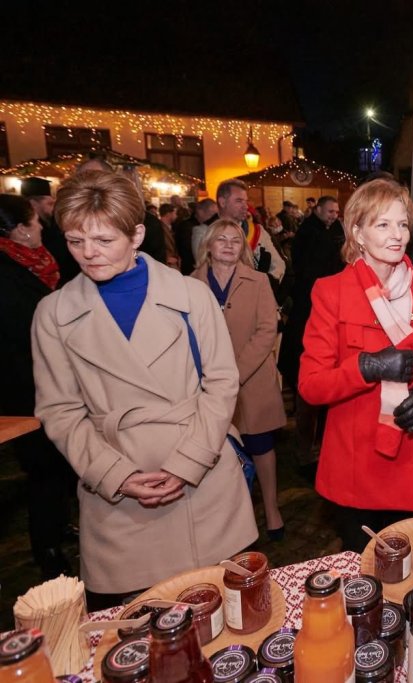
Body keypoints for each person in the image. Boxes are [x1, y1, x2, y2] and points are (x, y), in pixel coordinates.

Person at [31, 171, 257, 608]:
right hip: (117, 494)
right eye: (75, 241)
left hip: (202, 480)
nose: (89, 253)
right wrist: (115, 475)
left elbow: (222, 383)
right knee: (141, 630)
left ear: (135, 235)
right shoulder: (54, 314)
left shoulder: (191, 296)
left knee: (226, 617)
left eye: (103, 240)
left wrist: (188, 463)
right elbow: (60, 410)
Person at [298, 178, 413, 552]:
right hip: (360, 461)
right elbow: (311, 384)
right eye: (383, 224)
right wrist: (367, 367)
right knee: (366, 565)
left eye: (402, 224)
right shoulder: (331, 291)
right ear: (357, 232)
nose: (397, 235)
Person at [193, 219, 287, 539]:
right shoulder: (190, 284)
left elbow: (267, 330)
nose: (229, 245)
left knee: (261, 445)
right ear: (208, 245)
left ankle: (272, 509)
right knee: (217, 452)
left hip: (252, 379)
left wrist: (234, 372)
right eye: (221, 239)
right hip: (206, 383)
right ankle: (227, 520)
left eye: (235, 240)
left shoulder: (258, 280)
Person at [0, 194, 76, 579]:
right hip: (22, 388)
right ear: (18, 230)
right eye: (34, 222)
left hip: (48, 379)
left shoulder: (33, 263)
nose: (41, 228)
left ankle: (58, 526)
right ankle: (46, 548)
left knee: (58, 463)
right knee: (43, 469)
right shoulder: (7, 275)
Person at [280, 195, 344, 475]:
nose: (333, 215)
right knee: (308, 394)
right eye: (329, 211)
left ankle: (324, 450)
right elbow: (307, 271)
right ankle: (305, 453)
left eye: (336, 212)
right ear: (317, 210)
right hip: (308, 315)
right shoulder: (307, 234)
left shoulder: (336, 231)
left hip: (331, 314)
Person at [213, 179, 285, 283]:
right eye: (239, 201)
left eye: (246, 201)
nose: (246, 206)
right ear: (222, 202)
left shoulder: (258, 231)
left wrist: (264, 282)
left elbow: (278, 265)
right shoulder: (207, 233)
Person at [23, 176, 78, 286]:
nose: (53, 208)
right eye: (49, 204)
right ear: (33, 204)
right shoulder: (28, 229)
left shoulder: (53, 221)